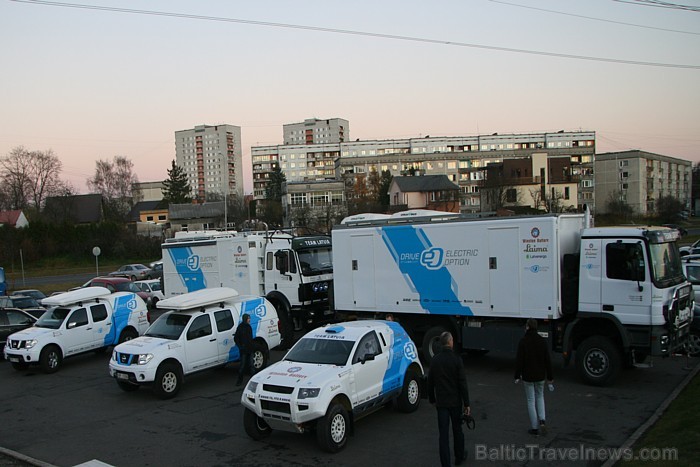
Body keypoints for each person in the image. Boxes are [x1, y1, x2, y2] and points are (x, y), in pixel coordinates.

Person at [428, 331, 471, 467]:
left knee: (443, 435)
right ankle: (459, 456)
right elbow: (462, 383)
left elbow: (430, 382)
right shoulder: (457, 360)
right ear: (450, 342)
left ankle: (445, 463)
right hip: (455, 402)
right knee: (457, 430)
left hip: (442, 403)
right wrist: (467, 403)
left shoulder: (435, 360)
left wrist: (432, 399)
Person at [514, 318, 554, 435]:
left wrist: (517, 375)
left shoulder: (523, 342)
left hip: (528, 376)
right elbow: (548, 360)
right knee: (540, 397)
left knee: (531, 401)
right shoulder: (542, 341)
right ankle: (542, 420)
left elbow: (519, 361)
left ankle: (534, 427)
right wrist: (550, 377)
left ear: (527, 327)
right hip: (540, 376)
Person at [234, 313, 254, 386]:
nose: (249, 320)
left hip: (250, 349)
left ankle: (253, 381)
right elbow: (236, 338)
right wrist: (240, 347)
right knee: (242, 366)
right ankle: (239, 381)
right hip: (244, 350)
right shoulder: (240, 327)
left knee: (251, 365)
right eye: (248, 318)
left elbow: (250, 338)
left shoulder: (249, 327)